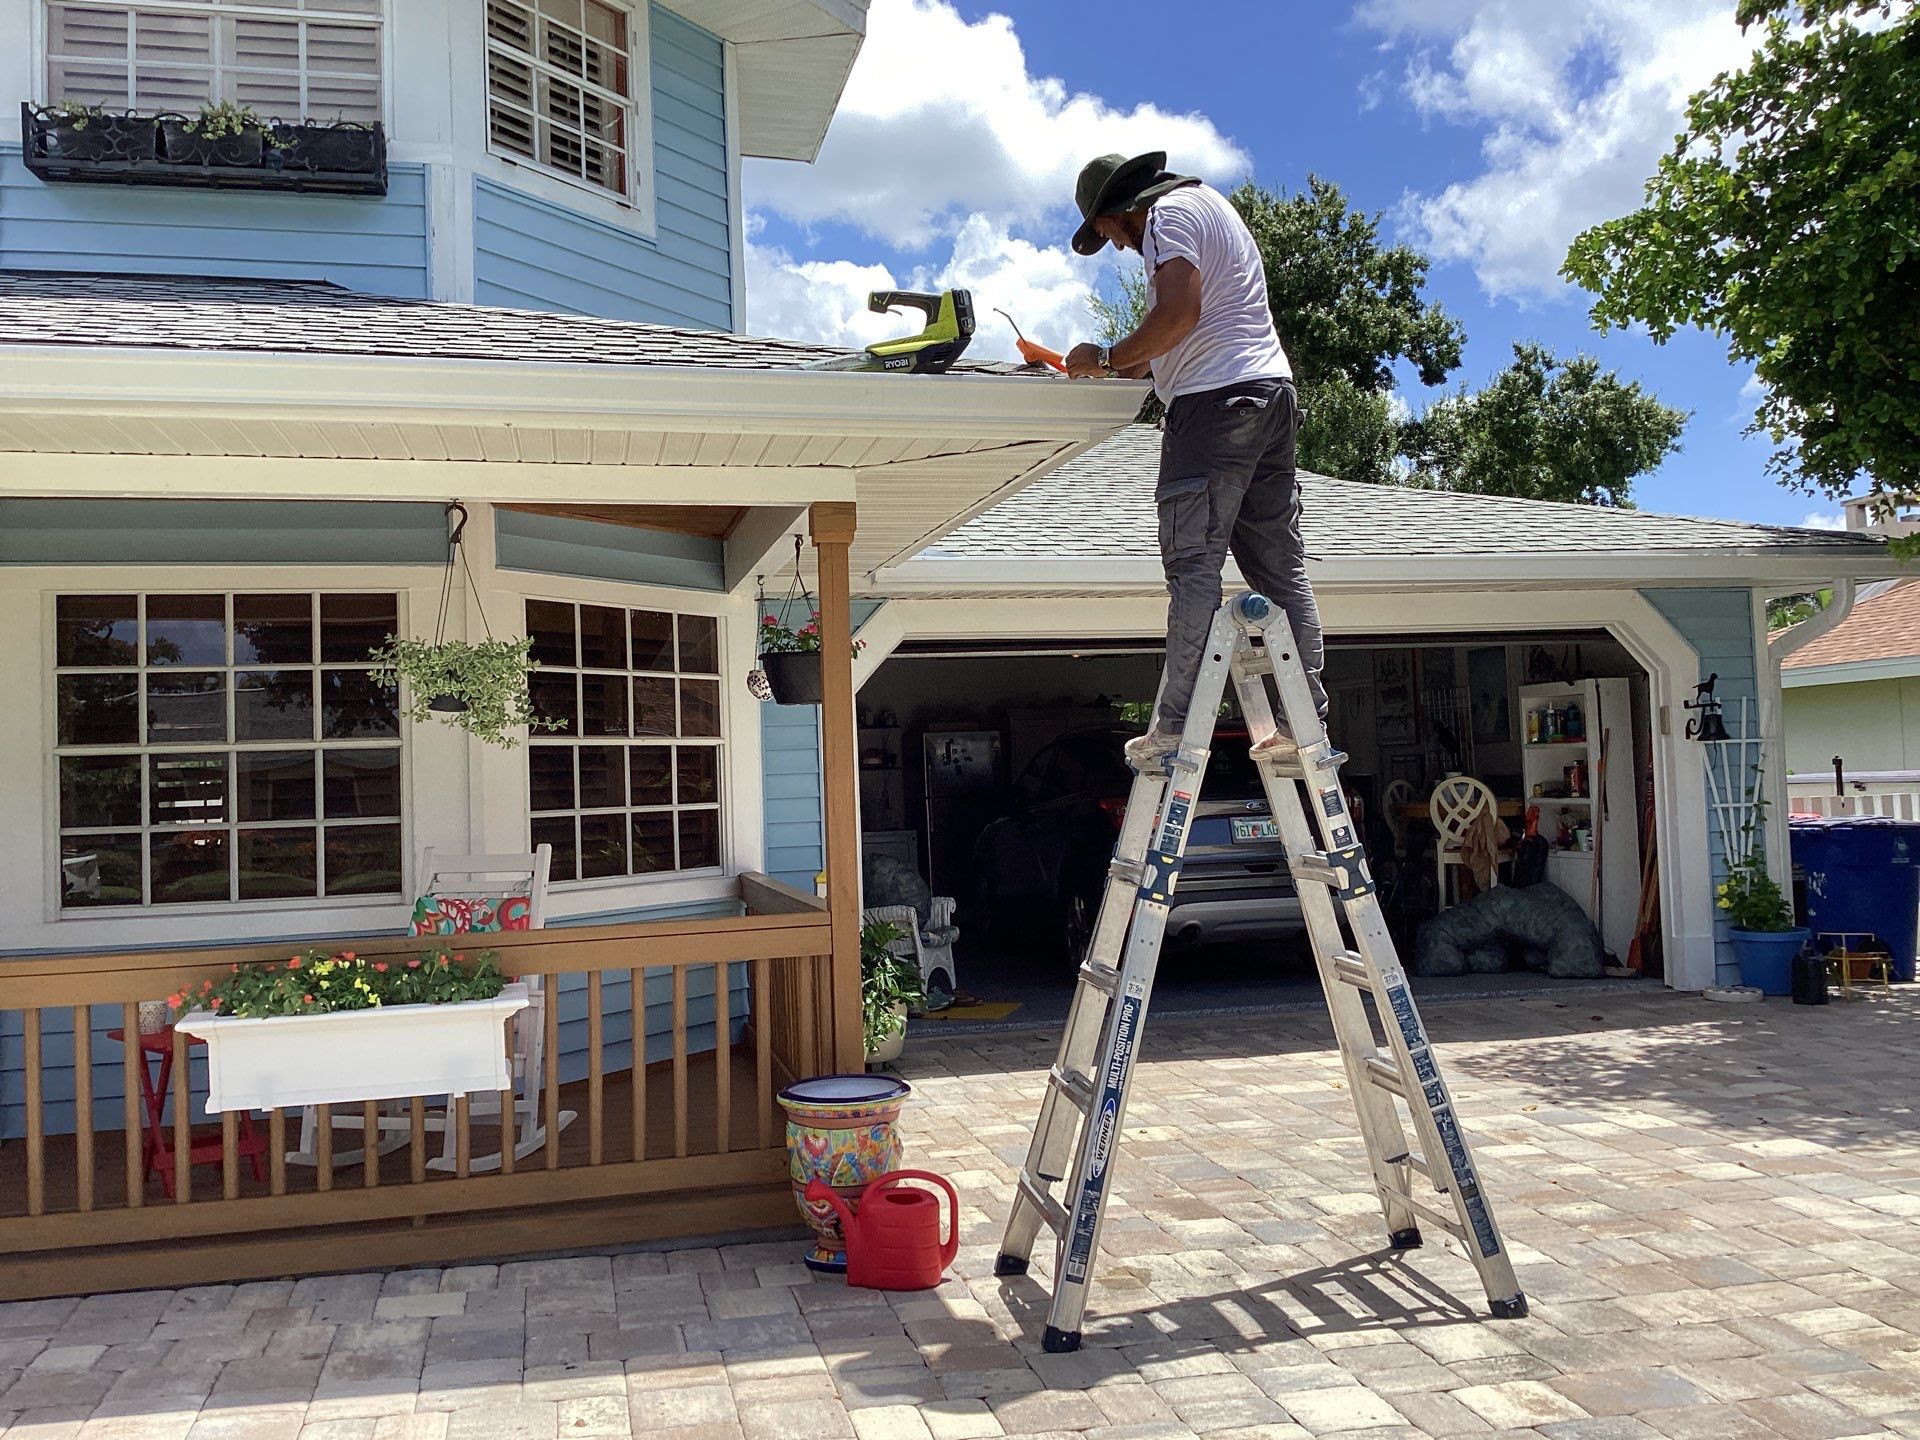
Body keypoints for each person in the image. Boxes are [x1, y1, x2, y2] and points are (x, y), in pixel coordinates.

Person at [1062, 150, 1326, 770]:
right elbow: (1174, 340)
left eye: (1106, 233)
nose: (1117, 247)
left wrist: (1101, 355)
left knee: (1193, 569)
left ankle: (1177, 727)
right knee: (1280, 570)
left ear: (1120, 210)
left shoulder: (1166, 217)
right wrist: (1120, 363)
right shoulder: (1212, 208)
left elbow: (1178, 316)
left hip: (1214, 410)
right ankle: (1302, 718)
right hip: (1269, 396)